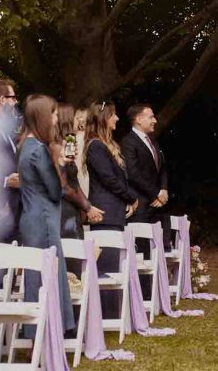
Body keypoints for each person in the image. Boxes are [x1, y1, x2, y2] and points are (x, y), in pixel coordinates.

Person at [18, 95, 75, 334]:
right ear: (42, 116)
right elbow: (55, 190)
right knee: (47, 276)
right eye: (52, 114)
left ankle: (36, 335)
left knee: (35, 276)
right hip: (44, 219)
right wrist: (61, 164)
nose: (55, 119)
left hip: (30, 217)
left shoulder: (24, 146)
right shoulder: (39, 151)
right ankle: (47, 333)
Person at [85, 102, 140, 316]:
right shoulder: (96, 146)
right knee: (106, 267)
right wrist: (131, 197)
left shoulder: (108, 145)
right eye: (113, 115)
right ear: (102, 119)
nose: (117, 119)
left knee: (113, 263)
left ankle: (113, 312)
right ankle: (107, 314)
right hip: (105, 213)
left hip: (114, 210)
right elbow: (109, 179)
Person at [121, 103, 170, 240]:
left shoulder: (153, 141)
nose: (154, 121)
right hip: (141, 206)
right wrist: (156, 193)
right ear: (138, 119)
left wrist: (164, 189)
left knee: (162, 250)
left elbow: (162, 167)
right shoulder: (128, 142)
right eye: (151, 117)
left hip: (159, 205)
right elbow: (133, 174)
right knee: (143, 251)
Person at [0, 78, 23, 243]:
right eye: (13, 98)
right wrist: (5, 181)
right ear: (2, 100)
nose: (15, 102)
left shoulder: (5, 129)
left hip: (13, 206)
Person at [58, 102, 101, 238]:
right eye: (76, 118)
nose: (80, 121)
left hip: (75, 202)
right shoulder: (58, 144)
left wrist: (86, 205)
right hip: (64, 207)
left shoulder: (70, 139)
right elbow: (66, 182)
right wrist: (86, 206)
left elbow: (73, 176)